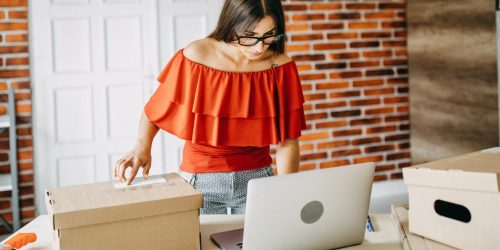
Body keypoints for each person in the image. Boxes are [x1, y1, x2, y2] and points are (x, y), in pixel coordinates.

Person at [114, 0, 307, 214]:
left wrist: (290, 190)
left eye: (269, 35)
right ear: (231, 24)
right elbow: (157, 108)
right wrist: (142, 146)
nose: (259, 47)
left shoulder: (280, 66)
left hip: (258, 179)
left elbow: (289, 142)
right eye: (250, 36)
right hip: (201, 181)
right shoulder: (197, 55)